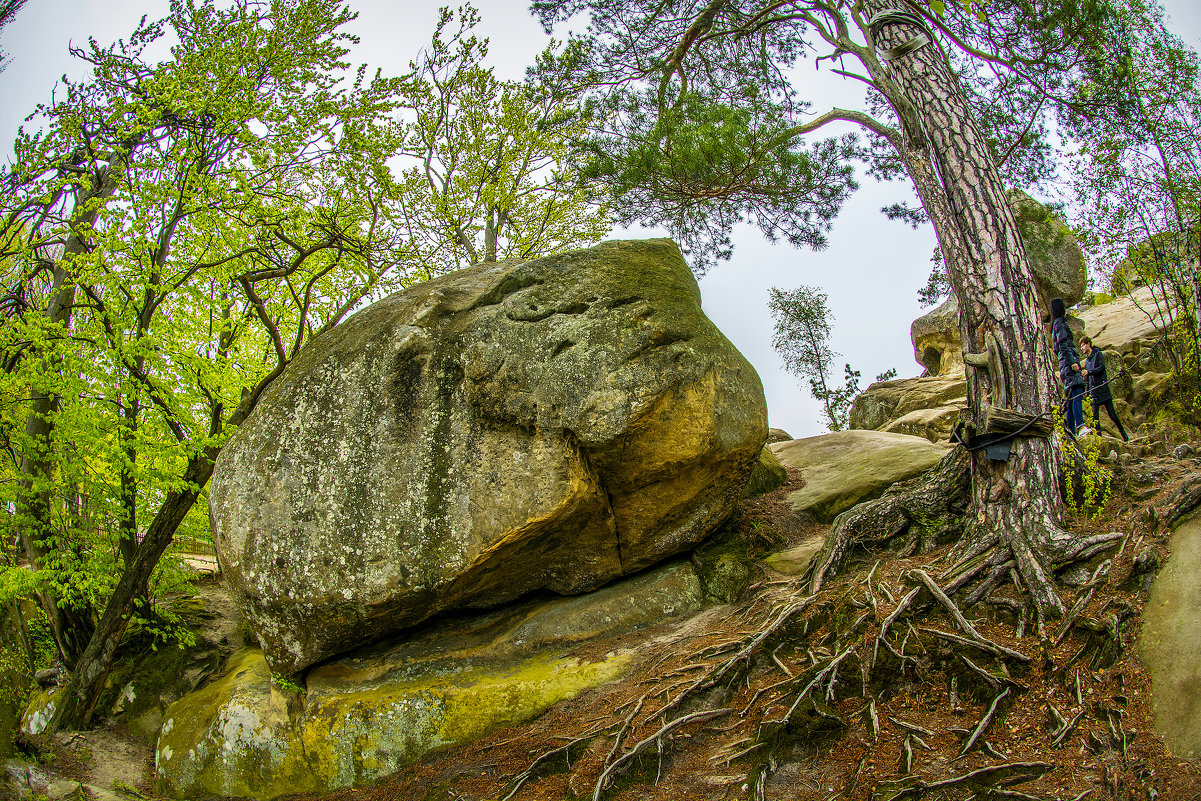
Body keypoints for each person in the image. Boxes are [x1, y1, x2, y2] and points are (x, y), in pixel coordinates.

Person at [1080, 336, 1129, 441]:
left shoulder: (1098, 354)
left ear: (1088, 344)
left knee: (1112, 414)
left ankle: (1124, 435)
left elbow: (1101, 368)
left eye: (1083, 345)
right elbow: (1088, 380)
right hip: (1094, 392)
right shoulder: (1087, 362)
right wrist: (1088, 393)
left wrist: (1090, 372)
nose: (1082, 348)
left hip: (1102, 389)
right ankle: (1099, 438)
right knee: (1095, 417)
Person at [1050, 297, 1086, 435]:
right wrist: (1073, 363)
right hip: (1068, 364)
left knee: (1071, 399)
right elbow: (1064, 344)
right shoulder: (1060, 323)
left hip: (1065, 365)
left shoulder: (1056, 325)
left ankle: (1072, 431)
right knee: (1077, 393)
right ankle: (1080, 425)